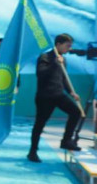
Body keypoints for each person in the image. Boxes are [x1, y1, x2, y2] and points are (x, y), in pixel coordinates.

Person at [27, 33, 82, 162]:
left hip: (58, 95)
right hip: (45, 96)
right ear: (58, 44)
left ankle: (66, 140)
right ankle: (32, 151)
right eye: (67, 46)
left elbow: (63, 78)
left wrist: (71, 92)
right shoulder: (45, 57)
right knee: (40, 124)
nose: (69, 49)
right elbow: (41, 74)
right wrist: (55, 63)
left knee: (76, 112)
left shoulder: (63, 59)